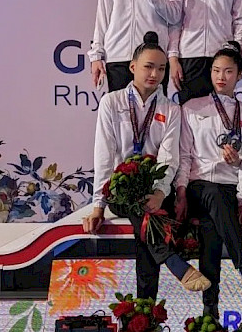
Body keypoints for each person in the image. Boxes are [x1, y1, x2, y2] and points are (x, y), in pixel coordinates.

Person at [83, 32, 210, 299]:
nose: (155, 74)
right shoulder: (111, 102)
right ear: (132, 67)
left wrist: (161, 192)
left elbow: (169, 158)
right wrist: (98, 206)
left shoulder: (171, 109)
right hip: (120, 191)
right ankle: (174, 264)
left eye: (161, 69)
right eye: (148, 67)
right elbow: (104, 155)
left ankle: (146, 307)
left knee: (146, 223)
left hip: (157, 192)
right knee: (139, 206)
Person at [176, 41, 242, 318]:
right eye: (216, 70)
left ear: (239, 75)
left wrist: (241, 177)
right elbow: (184, 156)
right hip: (199, 186)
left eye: (228, 71)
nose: (221, 77)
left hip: (231, 188)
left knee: (211, 226)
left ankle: (210, 308)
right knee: (213, 197)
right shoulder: (192, 108)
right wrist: (181, 191)